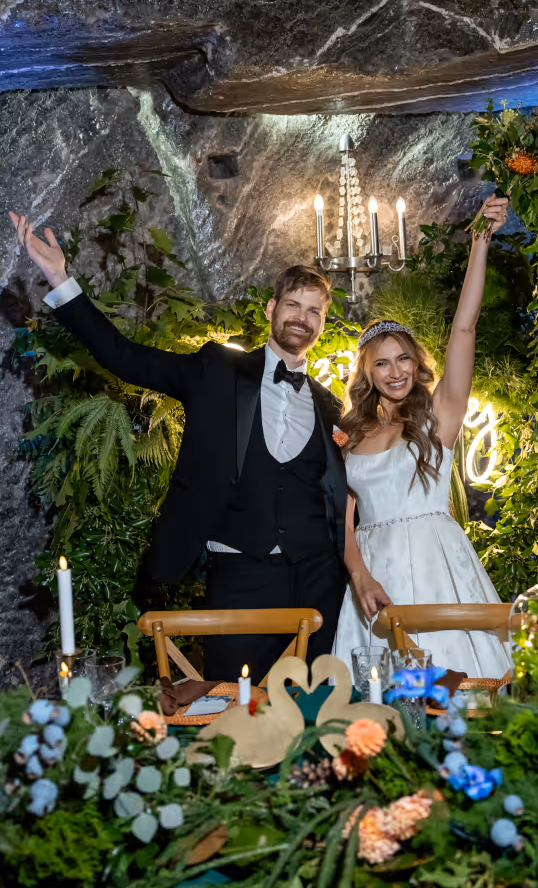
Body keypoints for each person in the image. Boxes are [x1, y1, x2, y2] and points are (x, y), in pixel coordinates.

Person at [9, 212, 348, 683]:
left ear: (323, 322)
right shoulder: (216, 371)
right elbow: (124, 357)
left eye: (315, 311)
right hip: (239, 574)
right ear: (271, 309)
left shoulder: (330, 405)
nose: (303, 319)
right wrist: (59, 278)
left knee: (314, 711)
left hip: (317, 580)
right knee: (236, 712)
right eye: (293, 305)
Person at [334, 194, 512, 680]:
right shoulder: (348, 434)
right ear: (367, 373)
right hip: (374, 576)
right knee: (375, 704)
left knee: (459, 690)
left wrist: (479, 240)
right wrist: (359, 574)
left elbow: (464, 326)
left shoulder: (441, 416)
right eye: (382, 362)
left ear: (416, 362)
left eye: (404, 358)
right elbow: (342, 521)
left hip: (440, 565)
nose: (396, 371)